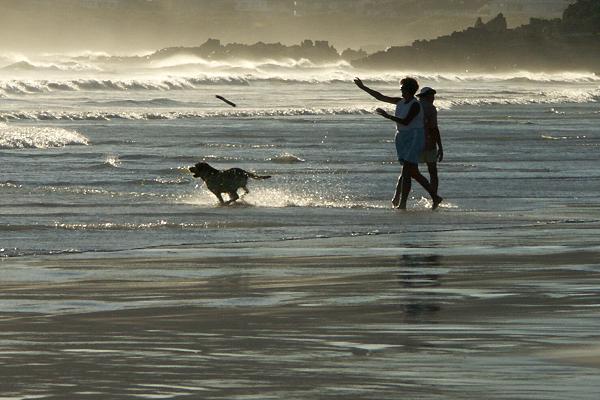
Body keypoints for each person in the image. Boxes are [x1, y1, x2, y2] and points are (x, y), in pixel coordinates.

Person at [354, 77, 442, 210]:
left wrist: (387, 116)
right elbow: (381, 97)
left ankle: (404, 203)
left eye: (402, 88)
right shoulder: (400, 101)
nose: (400, 90)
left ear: (408, 90)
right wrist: (363, 87)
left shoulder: (415, 104)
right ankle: (433, 197)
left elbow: (406, 121)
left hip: (415, 137)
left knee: (408, 169)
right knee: (411, 172)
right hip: (402, 137)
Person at [417, 87, 443, 194]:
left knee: (407, 171)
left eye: (433, 96)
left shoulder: (414, 105)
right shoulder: (431, 108)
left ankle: (397, 198)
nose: (433, 98)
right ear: (425, 96)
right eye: (431, 96)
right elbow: (434, 128)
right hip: (428, 143)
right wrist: (440, 147)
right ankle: (434, 197)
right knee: (433, 172)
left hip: (414, 143)